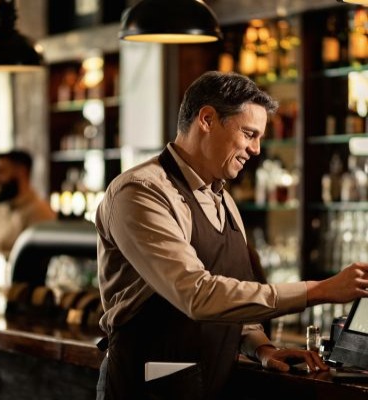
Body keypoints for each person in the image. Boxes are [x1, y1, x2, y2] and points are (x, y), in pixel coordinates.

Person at [94, 71, 368, 400]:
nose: (256, 150)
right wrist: (319, 290)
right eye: (249, 134)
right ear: (207, 118)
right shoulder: (141, 192)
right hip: (147, 387)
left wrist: (261, 347)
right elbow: (197, 294)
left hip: (212, 383)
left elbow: (232, 290)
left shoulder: (222, 197)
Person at [0, 149, 56, 283]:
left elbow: (33, 264)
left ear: (21, 172)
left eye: (1, 171)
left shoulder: (39, 212)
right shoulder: (13, 209)